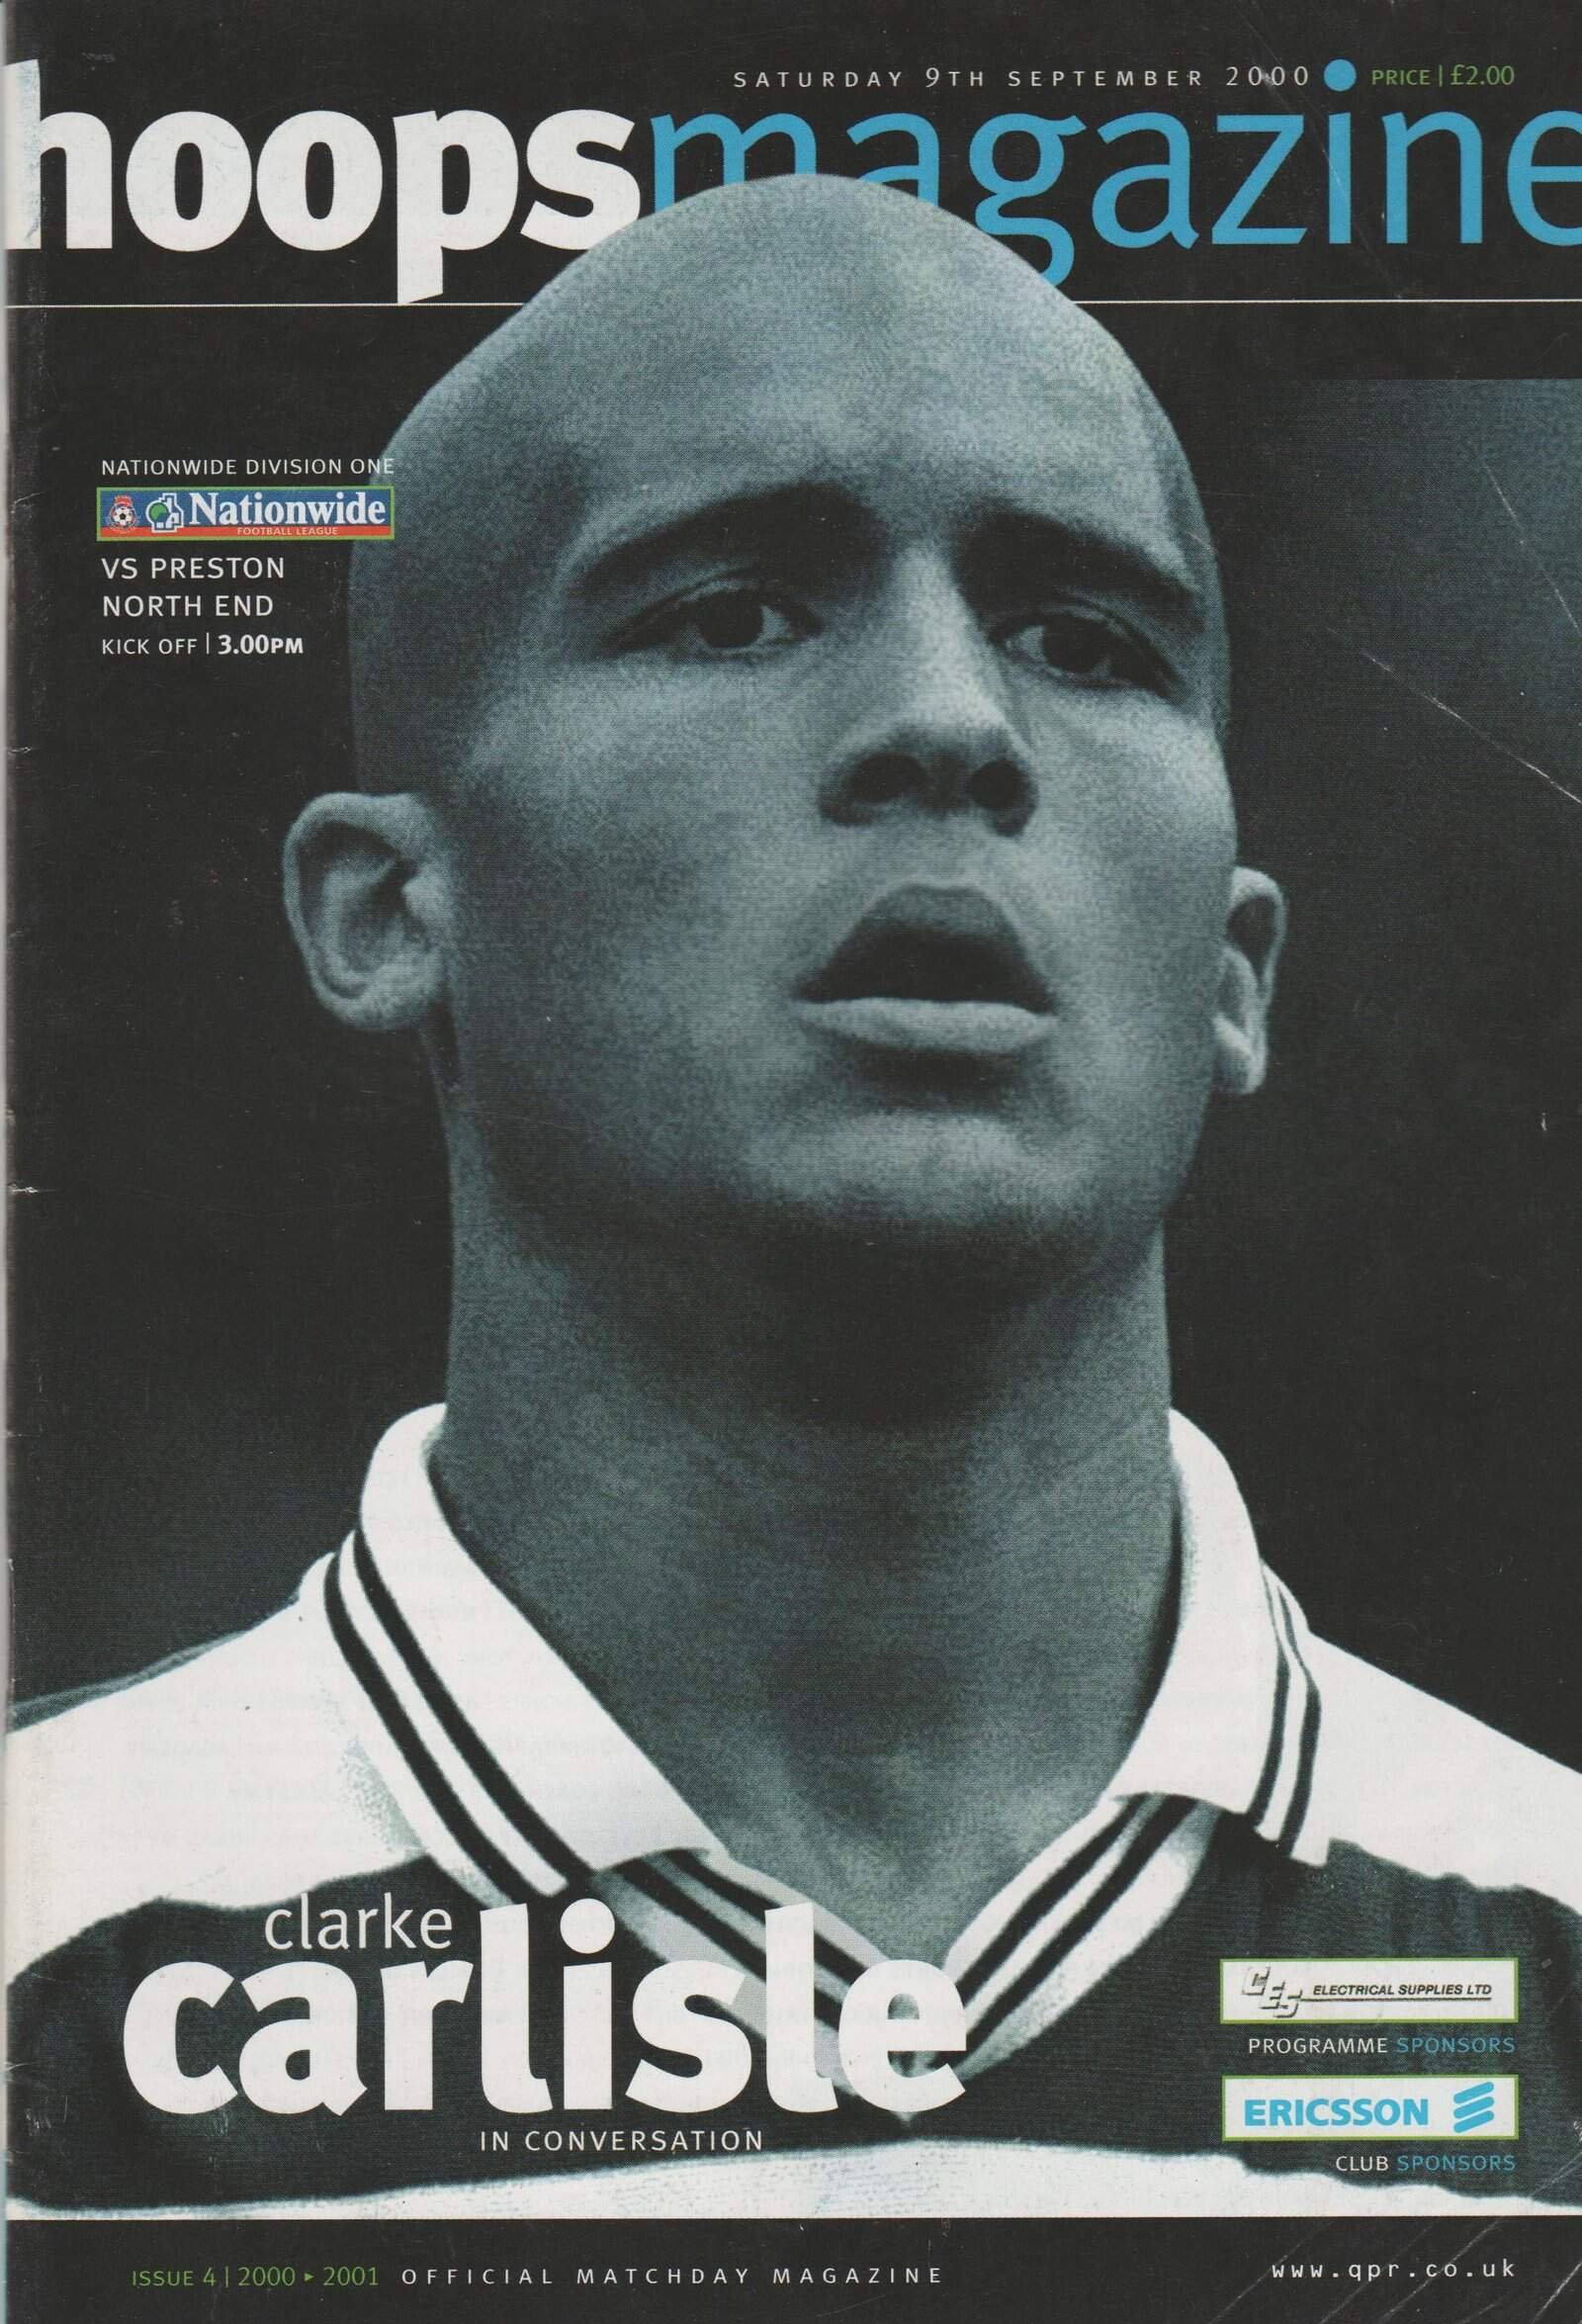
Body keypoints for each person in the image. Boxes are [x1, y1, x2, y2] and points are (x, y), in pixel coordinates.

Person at [9, 174, 1581, 2218]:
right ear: (390, 906)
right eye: (732, 611)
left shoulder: (1547, 1960)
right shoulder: (48, 1958)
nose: (950, 721)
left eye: (1082, 638)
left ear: (1229, 966)